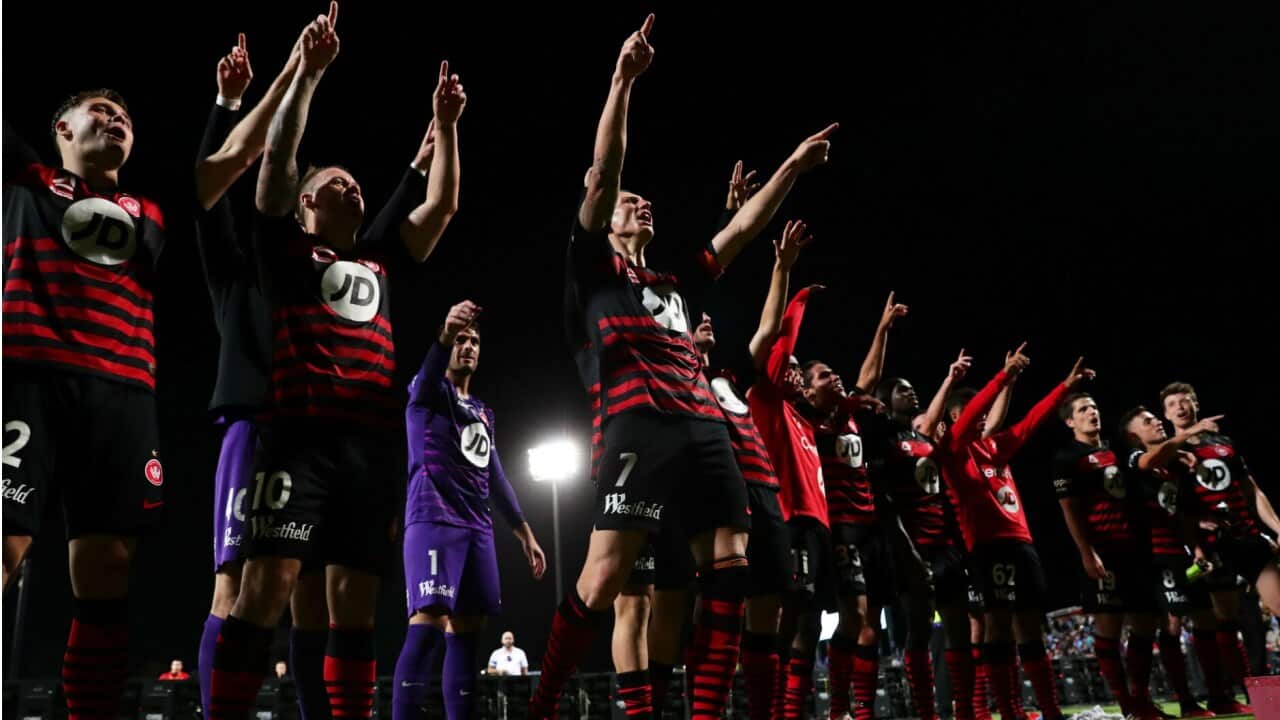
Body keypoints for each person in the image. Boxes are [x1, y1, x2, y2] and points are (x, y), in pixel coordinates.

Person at [533, 13, 836, 720]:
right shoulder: (592, 272)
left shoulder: (672, 284)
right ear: (601, 216)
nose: (641, 203)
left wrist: (791, 165)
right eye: (625, 201)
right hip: (636, 429)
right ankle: (543, 705)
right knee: (605, 578)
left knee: (727, 565)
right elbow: (606, 173)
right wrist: (623, 80)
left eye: (645, 200)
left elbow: (739, 232)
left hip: (704, 429)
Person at [207, 6, 463, 719]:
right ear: (305, 205)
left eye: (358, 185)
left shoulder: (378, 259)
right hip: (297, 436)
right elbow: (276, 167)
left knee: (355, 602)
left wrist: (445, 125)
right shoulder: (283, 249)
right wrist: (308, 78)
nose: (352, 189)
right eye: (337, 183)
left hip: (370, 448)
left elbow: (439, 206)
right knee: (268, 587)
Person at [4, 70, 166, 720]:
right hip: (27, 379)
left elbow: (231, 157)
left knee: (106, 574)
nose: (116, 118)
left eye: (124, 114)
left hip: (124, 397)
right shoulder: (30, 181)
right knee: (4, 548)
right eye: (100, 110)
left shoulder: (150, 214)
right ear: (62, 130)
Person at [392, 302, 546, 719]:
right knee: (427, 630)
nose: (468, 347)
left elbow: (496, 475)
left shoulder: (483, 412)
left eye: (474, 341)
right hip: (434, 519)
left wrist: (523, 531)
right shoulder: (426, 394)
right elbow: (429, 371)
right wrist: (445, 334)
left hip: (477, 529)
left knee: (468, 633)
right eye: (461, 340)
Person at [941, 348, 1093, 720]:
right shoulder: (954, 450)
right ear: (956, 419)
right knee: (997, 627)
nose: (977, 420)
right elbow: (977, 412)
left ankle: (1049, 709)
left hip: (1022, 545)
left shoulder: (994, 448)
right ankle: (1008, 709)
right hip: (988, 548)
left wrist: (1063, 387)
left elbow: (1030, 422)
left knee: (1030, 628)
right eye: (968, 415)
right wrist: (1002, 376)